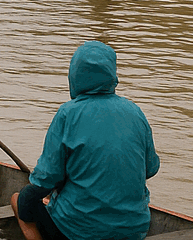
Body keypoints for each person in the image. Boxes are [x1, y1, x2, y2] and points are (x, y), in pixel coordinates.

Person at [11, 41, 160, 240]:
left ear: (74, 75)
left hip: (78, 231)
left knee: (20, 200)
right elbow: (151, 168)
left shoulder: (67, 114)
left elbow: (47, 178)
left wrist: (36, 192)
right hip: (134, 230)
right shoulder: (135, 112)